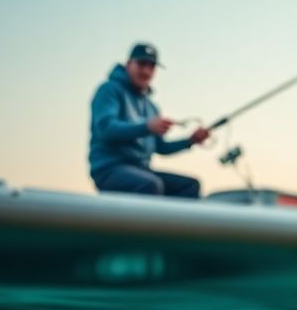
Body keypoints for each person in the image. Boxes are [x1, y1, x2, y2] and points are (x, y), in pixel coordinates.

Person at [88, 44, 210, 197]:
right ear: (129, 64)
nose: (146, 71)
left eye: (151, 66)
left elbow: (161, 147)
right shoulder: (109, 90)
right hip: (109, 169)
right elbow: (105, 128)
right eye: (141, 64)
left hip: (142, 170)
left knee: (190, 186)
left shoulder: (151, 107)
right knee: (150, 184)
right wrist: (147, 127)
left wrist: (190, 141)